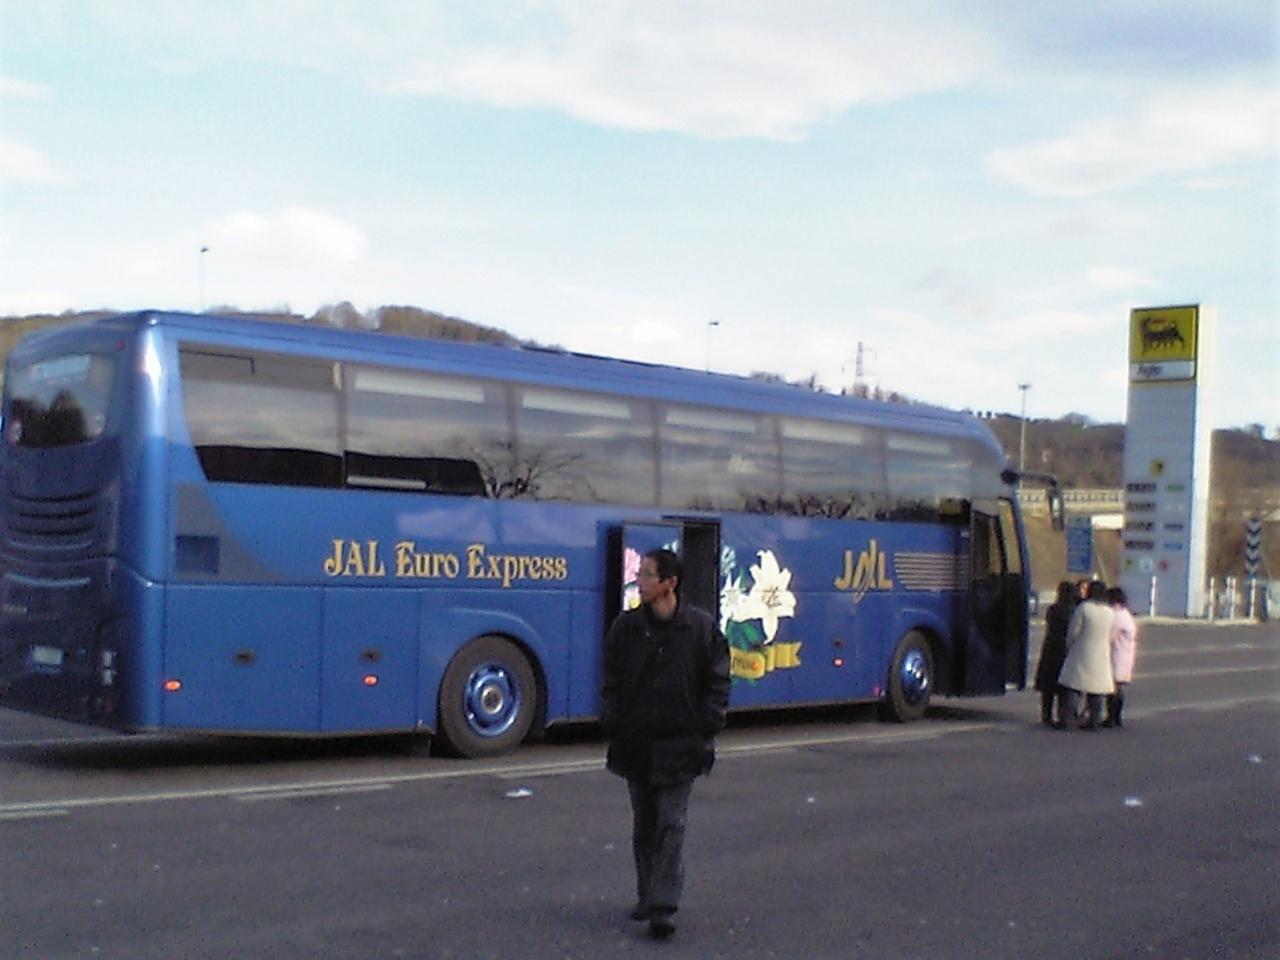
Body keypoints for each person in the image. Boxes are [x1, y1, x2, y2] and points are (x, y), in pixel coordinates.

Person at [600, 548, 731, 940]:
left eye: (646, 574)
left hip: (681, 744)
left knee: (671, 824)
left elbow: (718, 680)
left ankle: (663, 906)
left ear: (669, 583)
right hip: (637, 743)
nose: (639, 580)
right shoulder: (627, 627)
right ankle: (647, 895)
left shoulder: (700, 629)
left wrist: (707, 724)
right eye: (639, 573)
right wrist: (613, 720)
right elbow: (611, 677)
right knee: (645, 825)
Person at [1056, 580, 1115, 730]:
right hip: (1102, 652)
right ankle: (1094, 720)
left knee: (1074, 685)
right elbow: (1112, 634)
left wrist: (1069, 645)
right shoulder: (1109, 611)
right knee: (1097, 689)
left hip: (1082, 650)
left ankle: (1068, 720)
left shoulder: (1084, 608)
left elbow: (1073, 631)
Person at [1033, 581, 1075, 725]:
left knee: (1048, 685)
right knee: (1064, 684)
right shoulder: (1073, 610)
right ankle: (1063, 716)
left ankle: (1046, 715)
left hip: (1050, 647)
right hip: (1065, 648)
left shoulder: (1052, 609)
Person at [1104, 586, 1138, 727]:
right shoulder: (1125, 614)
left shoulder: (1117, 616)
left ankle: (1112, 717)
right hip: (1124, 654)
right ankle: (1116, 717)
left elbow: (1109, 636)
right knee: (1116, 687)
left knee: (1113, 688)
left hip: (1118, 654)